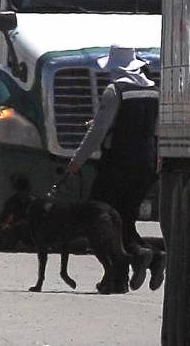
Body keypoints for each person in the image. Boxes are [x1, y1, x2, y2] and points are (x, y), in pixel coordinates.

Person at [67, 45, 166, 291]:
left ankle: (118, 272)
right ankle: (148, 255)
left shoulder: (115, 90)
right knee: (126, 217)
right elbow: (157, 129)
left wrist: (77, 160)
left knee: (99, 218)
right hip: (147, 163)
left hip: (119, 162)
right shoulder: (153, 91)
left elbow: (97, 131)